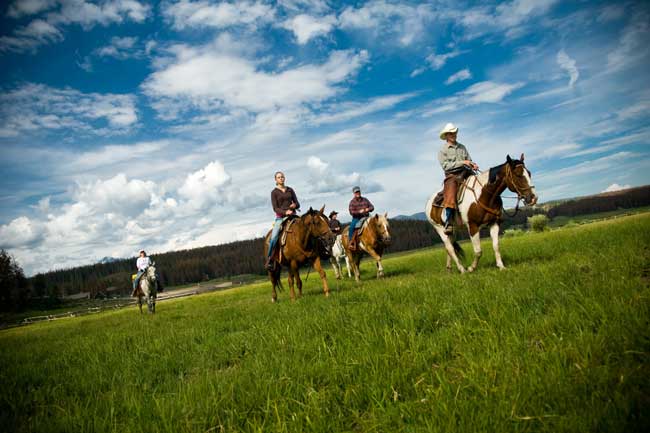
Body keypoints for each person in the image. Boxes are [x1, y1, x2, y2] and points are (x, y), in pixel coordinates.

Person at [437, 122, 479, 234]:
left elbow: (469, 159)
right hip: (452, 175)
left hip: (466, 172)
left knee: (479, 182)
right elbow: (445, 166)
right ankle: (449, 221)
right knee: (450, 190)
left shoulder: (462, 147)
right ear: (446, 136)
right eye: (450, 133)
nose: (453, 134)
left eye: (454, 132)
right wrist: (462, 162)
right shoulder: (443, 150)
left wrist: (472, 164)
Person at [266, 171, 300, 270]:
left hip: (293, 216)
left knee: (306, 226)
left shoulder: (290, 190)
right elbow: (275, 208)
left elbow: (297, 203)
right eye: (279, 177)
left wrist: (295, 205)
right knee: (274, 237)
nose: (281, 178)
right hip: (281, 218)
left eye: (282, 177)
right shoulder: (274, 192)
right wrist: (285, 212)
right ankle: (270, 259)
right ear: (275, 180)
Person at [348, 186, 374, 250]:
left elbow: (372, 207)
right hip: (357, 218)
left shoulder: (365, 199)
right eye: (356, 192)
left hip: (366, 217)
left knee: (376, 223)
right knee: (351, 227)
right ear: (354, 193)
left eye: (358, 191)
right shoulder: (352, 202)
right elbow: (351, 212)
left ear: (360, 192)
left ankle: (381, 239)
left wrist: (368, 209)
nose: (358, 193)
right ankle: (351, 242)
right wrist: (359, 212)